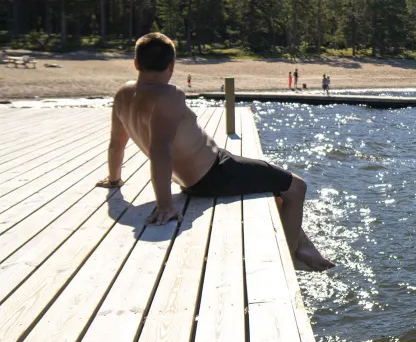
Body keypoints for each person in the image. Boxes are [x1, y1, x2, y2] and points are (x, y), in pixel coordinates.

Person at [98, 33, 333, 271]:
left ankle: (305, 249)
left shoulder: (123, 94)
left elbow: (117, 143)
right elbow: (160, 150)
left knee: (273, 181)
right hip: (213, 174)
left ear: (136, 63)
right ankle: (289, 257)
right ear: (172, 65)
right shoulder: (169, 95)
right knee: (297, 186)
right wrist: (165, 204)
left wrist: (114, 179)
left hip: (209, 168)